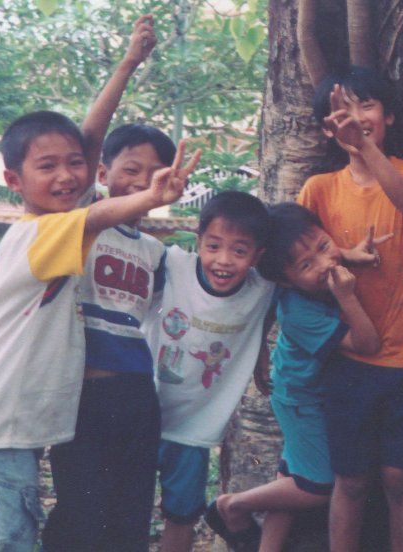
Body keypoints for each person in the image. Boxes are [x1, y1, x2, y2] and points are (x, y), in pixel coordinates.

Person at [0, 107, 199, 551]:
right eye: (47, 166)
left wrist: (130, 62)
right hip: (14, 417)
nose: (65, 175)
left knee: (30, 530)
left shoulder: (149, 250)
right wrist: (149, 197)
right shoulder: (48, 232)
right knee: (13, 535)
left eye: (72, 165)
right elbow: (89, 155)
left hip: (61, 412)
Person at [205, 203, 403, 551]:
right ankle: (232, 505)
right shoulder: (300, 312)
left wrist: (347, 253)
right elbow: (368, 343)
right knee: (318, 485)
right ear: (286, 280)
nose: (325, 264)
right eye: (306, 264)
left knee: (290, 480)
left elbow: (321, 257)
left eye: (323, 246)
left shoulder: (314, 275)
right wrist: (347, 297)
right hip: (304, 399)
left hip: (306, 393)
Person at [297, 66, 403, 552]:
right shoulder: (318, 190)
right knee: (352, 481)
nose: (356, 119)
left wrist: (366, 148)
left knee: (400, 478)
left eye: (366, 107)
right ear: (327, 128)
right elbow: (298, 270)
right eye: (342, 112)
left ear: (389, 115)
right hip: (349, 358)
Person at [41, 123, 178, 550]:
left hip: (137, 395)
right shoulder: (81, 221)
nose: (141, 181)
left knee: (131, 513)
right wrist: (129, 62)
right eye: (131, 169)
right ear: (101, 173)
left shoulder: (157, 254)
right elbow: (89, 136)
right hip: (83, 396)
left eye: (155, 172)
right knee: (81, 513)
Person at [144, 191, 276, 552]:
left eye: (239, 250)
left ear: (258, 256)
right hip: (141, 412)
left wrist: (262, 348)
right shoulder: (172, 266)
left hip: (193, 429)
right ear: (198, 240)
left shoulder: (263, 290)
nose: (223, 261)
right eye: (214, 246)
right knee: (125, 507)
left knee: (181, 515)